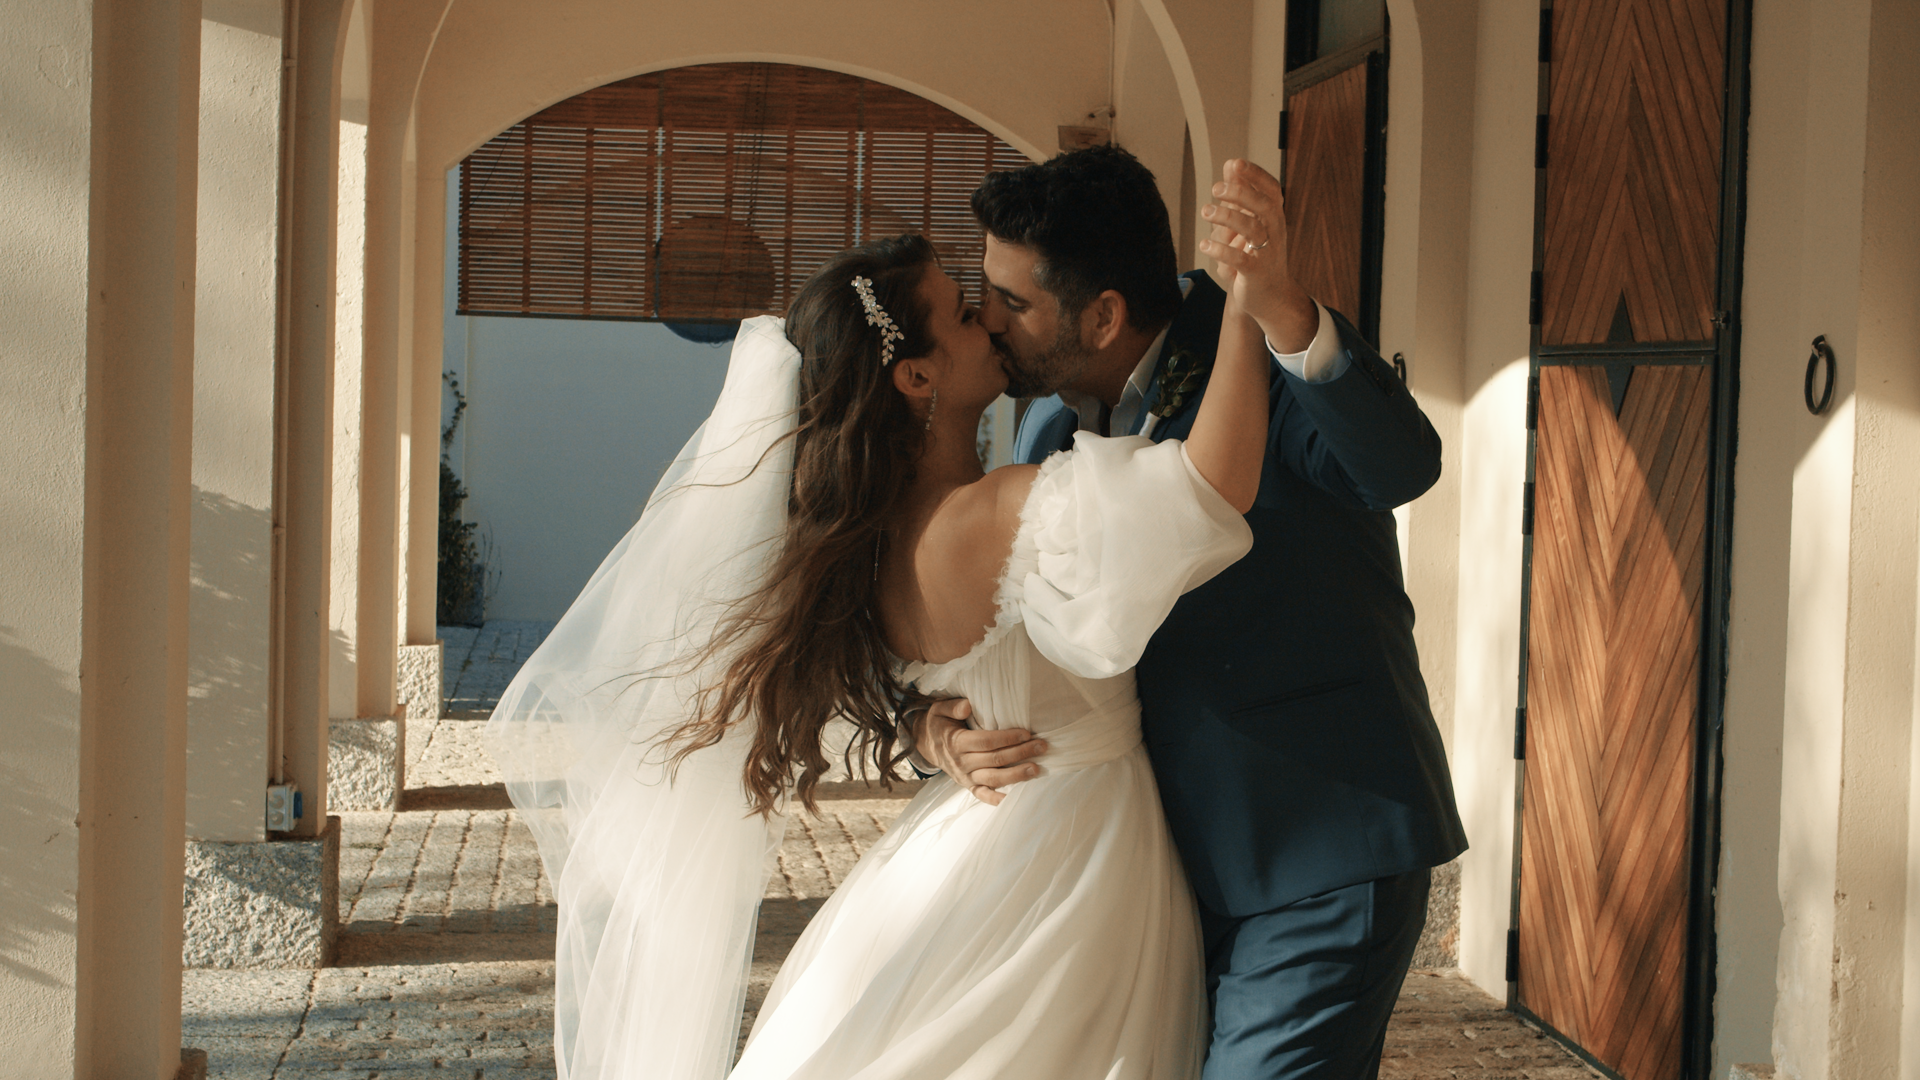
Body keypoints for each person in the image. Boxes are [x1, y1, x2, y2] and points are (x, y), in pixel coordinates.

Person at [487, 181, 1295, 1078]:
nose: (990, 321)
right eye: (960, 313)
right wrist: (1247, 305)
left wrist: (925, 728)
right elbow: (1211, 487)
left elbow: (894, 680)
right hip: (1069, 857)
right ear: (917, 376)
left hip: (973, 837)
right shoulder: (1004, 511)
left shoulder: (860, 548)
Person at [911, 146, 1469, 1078]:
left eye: (1013, 302)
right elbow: (991, 627)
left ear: (1102, 315)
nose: (989, 320)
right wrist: (935, 726)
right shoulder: (1047, 429)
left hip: (1313, 847)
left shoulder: (1254, 348)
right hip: (1144, 884)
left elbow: (1400, 467)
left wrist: (1281, 303)